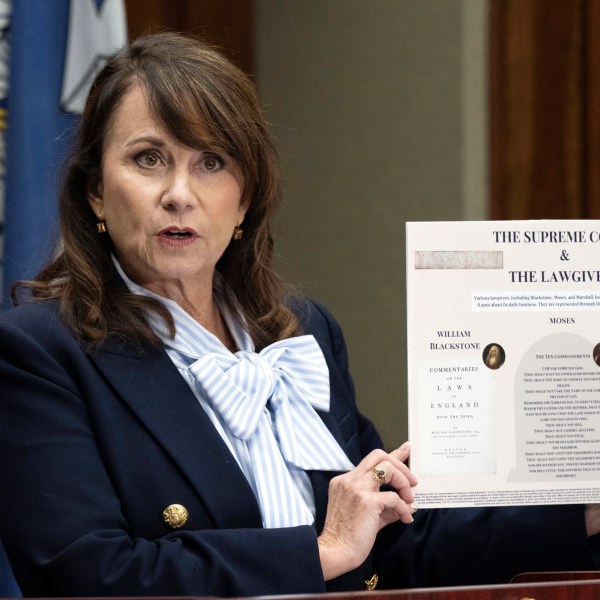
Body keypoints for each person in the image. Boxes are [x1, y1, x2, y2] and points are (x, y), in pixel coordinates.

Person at [0, 32, 598, 598]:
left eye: (212, 162)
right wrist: (323, 550)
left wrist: (586, 511)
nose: (180, 193)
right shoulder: (39, 351)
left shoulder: (301, 330)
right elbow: (88, 577)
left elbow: (393, 546)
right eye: (149, 158)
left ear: (246, 198)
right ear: (96, 191)